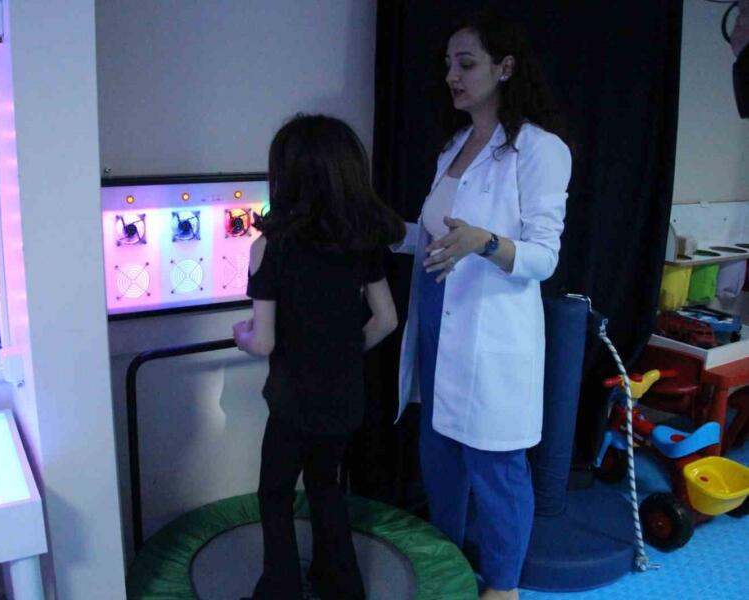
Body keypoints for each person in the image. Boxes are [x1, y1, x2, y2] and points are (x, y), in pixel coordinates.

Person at [391, 13, 572, 600]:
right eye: (448, 64)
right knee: (440, 460)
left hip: (490, 336)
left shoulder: (540, 150)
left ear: (505, 68)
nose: (452, 75)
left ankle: (503, 586)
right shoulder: (452, 147)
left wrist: (485, 243)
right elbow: (434, 236)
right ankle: (447, 571)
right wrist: (384, 231)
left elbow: (544, 256)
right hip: (438, 327)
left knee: (496, 469)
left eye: (466, 64)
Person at [233, 114, 405, 600]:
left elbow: (264, 342)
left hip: (293, 402)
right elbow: (386, 320)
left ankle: (280, 590)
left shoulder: (270, 247)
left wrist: (241, 336)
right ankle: (341, 584)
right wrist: (341, 353)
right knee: (327, 488)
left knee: (275, 494)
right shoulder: (360, 241)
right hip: (344, 399)